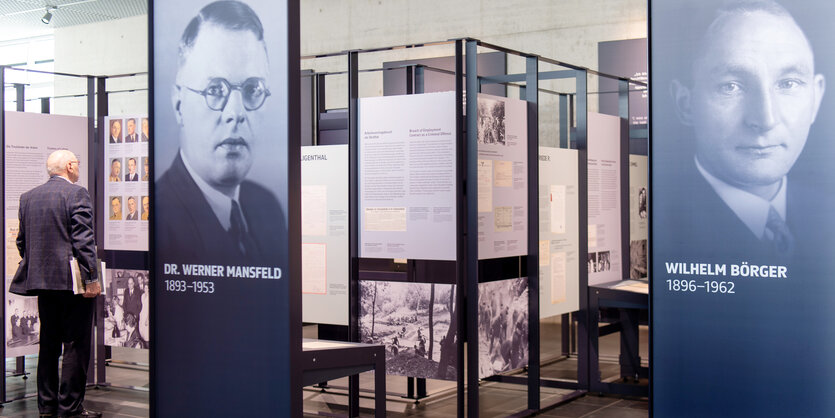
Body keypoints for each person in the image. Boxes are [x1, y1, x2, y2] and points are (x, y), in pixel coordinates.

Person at [665, 0, 825, 262]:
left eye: (788, 83)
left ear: (816, 99)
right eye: (731, 86)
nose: (766, 118)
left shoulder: (827, 214)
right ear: (685, 104)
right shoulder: (664, 227)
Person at [156, 0, 286, 266]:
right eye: (215, 89)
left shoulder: (268, 208)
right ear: (179, 105)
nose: (236, 113)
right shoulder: (159, 219)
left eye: (252, 89)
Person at [8, 150, 101, 417]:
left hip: (42, 283)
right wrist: (91, 279)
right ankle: (70, 408)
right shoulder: (77, 194)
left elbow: (22, 242)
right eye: (78, 164)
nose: (78, 167)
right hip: (72, 285)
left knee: (48, 345)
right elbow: (83, 240)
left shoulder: (28, 197)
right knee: (75, 345)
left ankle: (47, 407)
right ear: (70, 166)